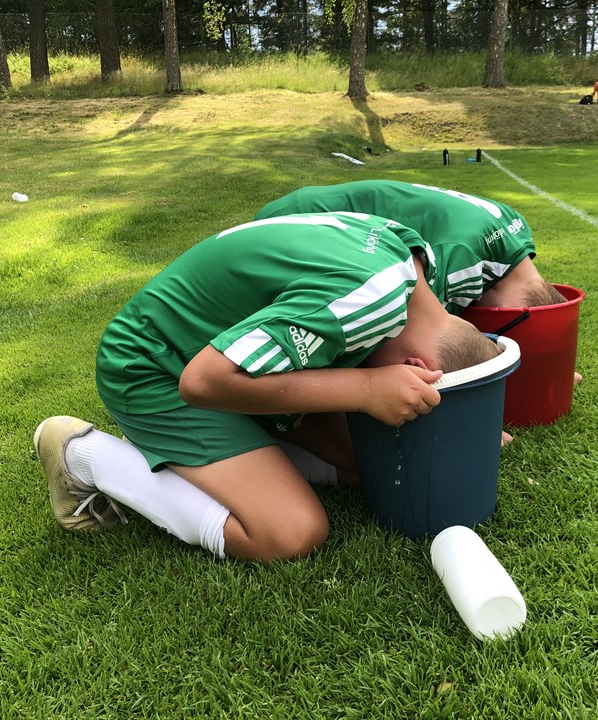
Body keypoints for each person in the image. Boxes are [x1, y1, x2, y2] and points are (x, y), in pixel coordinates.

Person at [34, 213, 503, 563]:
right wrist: (364, 389)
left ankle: (200, 453)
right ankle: (84, 455)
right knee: (292, 531)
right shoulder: (365, 304)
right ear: (416, 367)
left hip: (216, 352)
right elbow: (202, 381)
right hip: (153, 370)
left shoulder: (412, 266)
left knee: (364, 464)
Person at [254, 180, 565, 314]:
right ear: (507, 310)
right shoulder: (460, 256)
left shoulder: (515, 228)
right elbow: (425, 331)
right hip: (302, 219)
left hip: (315, 204)